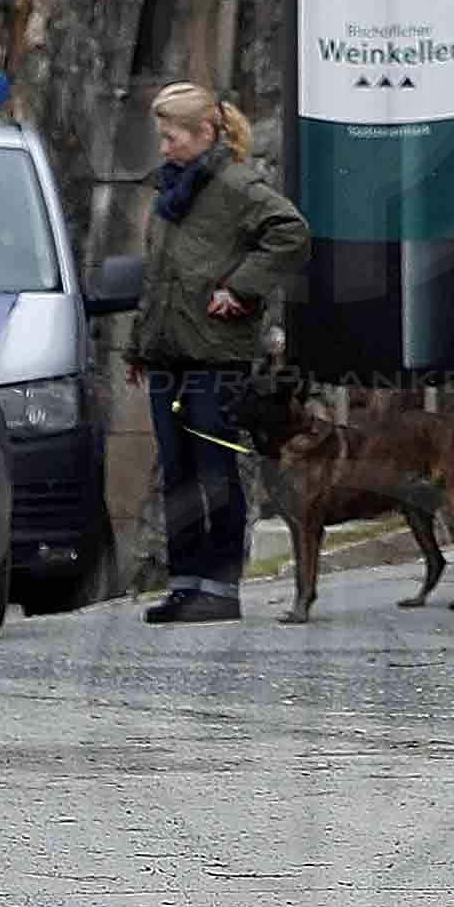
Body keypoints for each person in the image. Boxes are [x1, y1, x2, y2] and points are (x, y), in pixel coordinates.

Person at [131, 80, 307, 627]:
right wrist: (140, 346)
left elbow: (291, 233)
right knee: (177, 472)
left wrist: (243, 288)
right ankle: (185, 583)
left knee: (215, 467)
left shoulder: (237, 184)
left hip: (215, 356)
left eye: (173, 137)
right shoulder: (170, 191)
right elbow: (158, 277)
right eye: (161, 137)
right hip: (168, 355)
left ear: (206, 133)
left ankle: (220, 587)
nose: (165, 148)